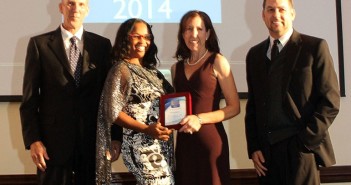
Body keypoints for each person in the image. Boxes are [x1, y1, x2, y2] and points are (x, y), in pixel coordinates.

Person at [19, 0, 122, 184]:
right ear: (61, 7)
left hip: (92, 144)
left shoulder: (102, 46)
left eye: (81, 4)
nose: (75, 9)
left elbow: (111, 98)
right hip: (52, 147)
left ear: (87, 10)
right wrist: (33, 140)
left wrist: (115, 137)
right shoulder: (39, 45)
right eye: (70, 3)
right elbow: (29, 100)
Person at [245, 0, 340, 184]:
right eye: (270, 9)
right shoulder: (254, 55)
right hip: (267, 155)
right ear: (263, 15)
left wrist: (305, 142)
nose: (276, 15)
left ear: (292, 13)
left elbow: (331, 101)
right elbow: (253, 106)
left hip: (301, 151)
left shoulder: (314, 47)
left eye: (282, 9)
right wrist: (254, 147)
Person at [96, 18, 175, 185]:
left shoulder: (152, 71)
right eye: (137, 36)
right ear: (126, 38)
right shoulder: (121, 69)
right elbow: (112, 112)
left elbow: (171, 99)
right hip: (140, 145)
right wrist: (147, 129)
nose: (143, 42)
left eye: (147, 37)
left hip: (161, 144)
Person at [171, 10, 241, 185]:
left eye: (199, 29)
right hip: (184, 145)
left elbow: (234, 107)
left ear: (208, 33)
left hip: (211, 145)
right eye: (188, 29)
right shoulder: (175, 68)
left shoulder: (218, 61)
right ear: (182, 34)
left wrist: (199, 119)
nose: (193, 34)